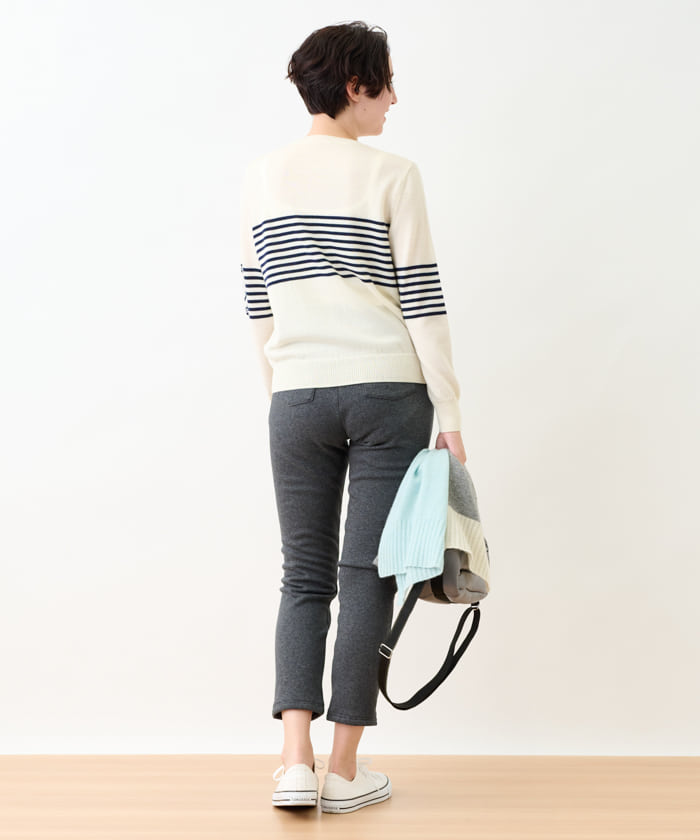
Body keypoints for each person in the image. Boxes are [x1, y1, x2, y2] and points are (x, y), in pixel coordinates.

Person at [239, 20, 466, 814]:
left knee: (302, 575)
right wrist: (450, 408)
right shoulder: (394, 175)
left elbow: (258, 304)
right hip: (387, 392)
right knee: (364, 573)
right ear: (353, 85)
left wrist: (283, 388)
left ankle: (293, 763)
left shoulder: (261, 176)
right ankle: (343, 770)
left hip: (295, 395)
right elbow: (423, 301)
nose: (394, 98)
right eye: (386, 83)